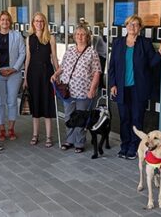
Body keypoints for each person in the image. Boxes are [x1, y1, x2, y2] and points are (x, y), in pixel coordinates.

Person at [109, 15, 161, 160]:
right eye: (129, 24)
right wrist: (112, 84)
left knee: (136, 119)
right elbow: (112, 66)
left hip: (138, 88)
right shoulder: (118, 43)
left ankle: (134, 147)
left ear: (140, 28)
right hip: (122, 88)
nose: (132, 27)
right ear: (126, 26)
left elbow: (152, 63)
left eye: (135, 24)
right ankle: (125, 145)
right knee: (124, 119)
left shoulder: (144, 43)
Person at [51, 25, 101, 153]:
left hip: (84, 91)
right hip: (68, 90)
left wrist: (92, 89)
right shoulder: (70, 50)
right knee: (69, 115)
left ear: (87, 37)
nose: (80, 36)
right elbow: (62, 66)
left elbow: (97, 72)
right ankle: (69, 140)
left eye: (83, 34)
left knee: (81, 117)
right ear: (74, 37)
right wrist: (56, 74)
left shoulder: (92, 52)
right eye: (77, 34)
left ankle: (79, 142)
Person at [0, 11, 25, 141]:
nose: (5, 22)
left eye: (7, 19)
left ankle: (11, 128)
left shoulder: (17, 36)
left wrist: (14, 69)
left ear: (10, 22)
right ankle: (1, 129)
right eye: (2, 19)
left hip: (13, 73)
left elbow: (22, 53)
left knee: (12, 101)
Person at [24, 12, 58, 147]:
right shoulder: (29, 39)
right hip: (33, 74)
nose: (39, 23)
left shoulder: (50, 38)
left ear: (45, 23)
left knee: (47, 103)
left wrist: (58, 73)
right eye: (36, 21)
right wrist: (25, 78)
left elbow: (54, 57)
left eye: (41, 21)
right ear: (33, 23)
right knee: (35, 103)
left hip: (47, 73)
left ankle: (49, 136)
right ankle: (35, 135)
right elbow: (28, 59)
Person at [93, 22, 107, 89]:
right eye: (103, 27)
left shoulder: (102, 35)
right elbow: (94, 46)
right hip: (99, 55)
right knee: (99, 71)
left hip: (103, 55)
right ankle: (100, 85)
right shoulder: (97, 35)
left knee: (102, 69)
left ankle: (101, 83)